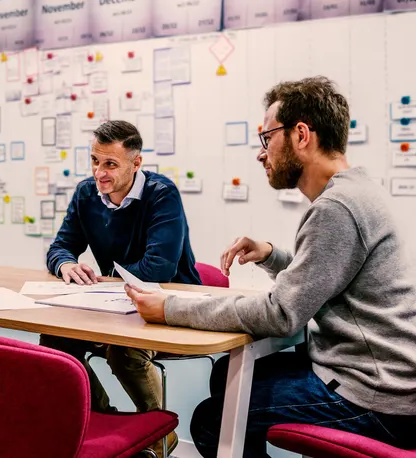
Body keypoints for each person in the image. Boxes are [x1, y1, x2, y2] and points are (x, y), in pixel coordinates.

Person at [125, 76, 416, 457]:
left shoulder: (335, 208)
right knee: (226, 377)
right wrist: (271, 255)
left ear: (300, 135)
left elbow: (281, 314)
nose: (262, 153)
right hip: (384, 383)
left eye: (267, 138)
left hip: (372, 398)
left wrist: (169, 308)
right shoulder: (358, 191)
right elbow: (324, 279)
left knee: (212, 419)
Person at [43, 120, 201, 455]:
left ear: (136, 163)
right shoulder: (87, 193)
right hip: (116, 305)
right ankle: (105, 421)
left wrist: (103, 283)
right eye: (95, 161)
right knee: (54, 342)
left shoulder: (162, 194)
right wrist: (66, 264)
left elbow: (158, 269)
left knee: (123, 351)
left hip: (172, 304)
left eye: (110, 164)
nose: (100, 173)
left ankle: (156, 436)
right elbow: (59, 247)